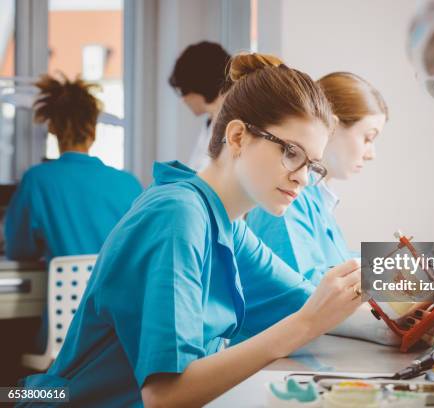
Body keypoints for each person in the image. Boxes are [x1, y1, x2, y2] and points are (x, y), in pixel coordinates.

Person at [18, 53, 362, 407]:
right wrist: (305, 324)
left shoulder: (227, 226)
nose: (303, 178)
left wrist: (406, 318)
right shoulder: (177, 215)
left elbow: (312, 304)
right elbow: (165, 396)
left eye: (312, 166)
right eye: (292, 153)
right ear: (239, 136)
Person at [245, 72, 434, 346]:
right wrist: (385, 327)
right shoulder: (287, 199)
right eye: (368, 138)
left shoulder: (319, 204)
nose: (371, 153)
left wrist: (405, 296)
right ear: (331, 127)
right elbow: (302, 299)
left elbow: (340, 270)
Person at [5, 73, 142, 262]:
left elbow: (18, 250)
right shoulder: (129, 184)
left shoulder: (37, 180)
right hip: (119, 291)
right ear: (93, 130)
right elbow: (140, 251)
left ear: (52, 128)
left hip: (66, 290)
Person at [168, 41, 231, 171]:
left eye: (183, 91)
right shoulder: (211, 122)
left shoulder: (232, 128)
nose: (183, 99)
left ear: (199, 85)